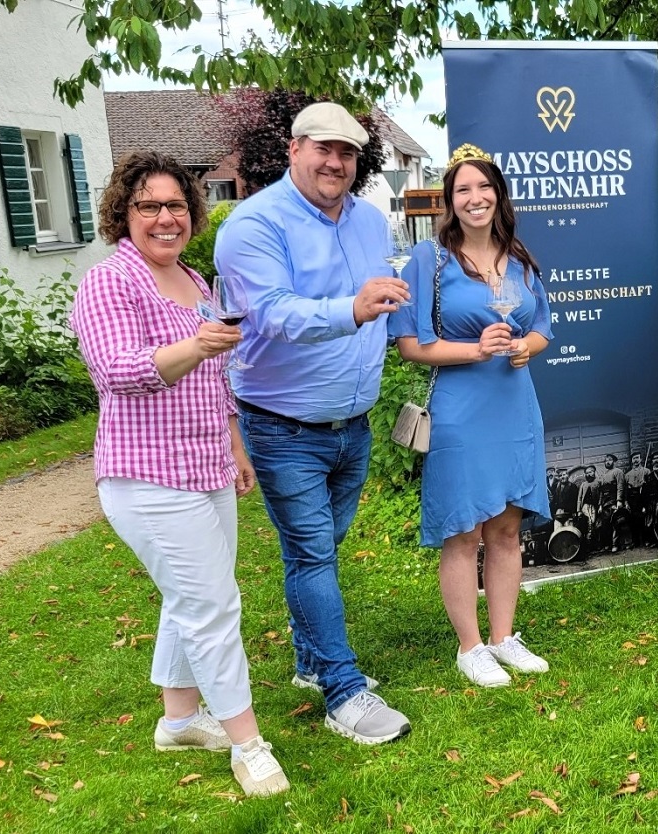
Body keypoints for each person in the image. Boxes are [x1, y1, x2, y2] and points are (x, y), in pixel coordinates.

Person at [70, 151, 288, 797]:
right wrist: (196, 345)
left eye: (176, 206)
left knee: (191, 597)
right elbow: (117, 372)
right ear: (124, 213)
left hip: (206, 466)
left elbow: (215, 381)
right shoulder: (111, 282)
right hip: (145, 476)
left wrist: (236, 446)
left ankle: (179, 719)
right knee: (213, 605)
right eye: (149, 206)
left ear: (192, 214)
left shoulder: (196, 281)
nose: (165, 218)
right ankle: (247, 745)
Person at [213, 102, 412, 743]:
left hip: (353, 424)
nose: (336, 162)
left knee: (320, 550)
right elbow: (271, 315)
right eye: (323, 148)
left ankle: (307, 659)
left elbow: (385, 301)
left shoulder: (370, 221)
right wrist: (352, 310)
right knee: (312, 554)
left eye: (348, 153)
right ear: (294, 149)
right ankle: (342, 692)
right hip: (282, 426)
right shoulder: (252, 225)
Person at [390, 143, 554, 688]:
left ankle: (505, 637)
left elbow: (542, 326)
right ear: (450, 200)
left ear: (498, 195)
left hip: (515, 404)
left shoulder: (522, 256)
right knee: (464, 530)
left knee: (507, 528)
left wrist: (526, 346)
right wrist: (475, 351)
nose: (475, 197)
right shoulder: (429, 262)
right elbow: (411, 344)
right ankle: (470, 647)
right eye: (463, 189)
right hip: (460, 409)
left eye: (484, 187)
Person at [624, 453, 653, 547]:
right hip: (633, 499)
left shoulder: (647, 471)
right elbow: (626, 491)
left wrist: (645, 484)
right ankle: (635, 542)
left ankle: (647, 540)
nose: (635, 460)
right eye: (633, 458)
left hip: (643, 498)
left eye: (637, 458)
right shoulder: (627, 475)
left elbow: (650, 488)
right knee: (633, 521)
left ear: (641, 459)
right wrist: (626, 502)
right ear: (631, 460)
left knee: (644, 520)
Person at [577, 465, 602, 547]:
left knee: (594, 523)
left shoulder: (598, 482)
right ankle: (588, 545)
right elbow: (579, 498)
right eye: (587, 473)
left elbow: (601, 495)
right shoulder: (583, 484)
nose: (589, 474)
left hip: (594, 507)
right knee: (588, 523)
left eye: (590, 472)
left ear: (594, 472)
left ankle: (596, 543)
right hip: (585, 507)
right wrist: (579, 510)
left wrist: (600, 505)